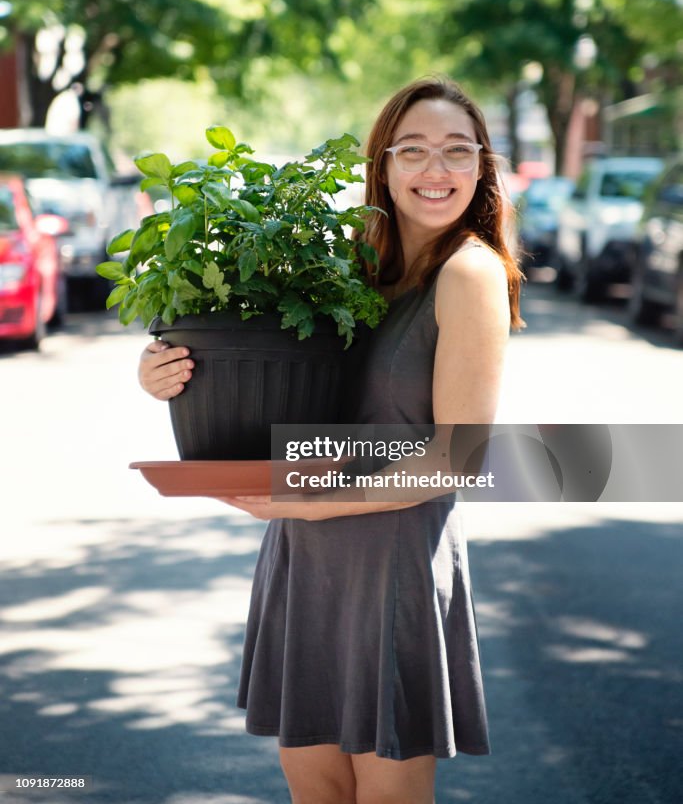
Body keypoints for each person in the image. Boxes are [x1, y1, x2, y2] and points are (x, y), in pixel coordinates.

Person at [138, 75, 524, 804]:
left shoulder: (467, 272)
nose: (434, 170)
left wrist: (311, 506)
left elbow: (457, 455)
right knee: (312, 788)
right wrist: (164, 366)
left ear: (481, 167)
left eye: (454, 151)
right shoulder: (348, 264)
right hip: (305, 556)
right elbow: (251, 358)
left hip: (392, 560)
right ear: (381, 165)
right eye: (412, 151)